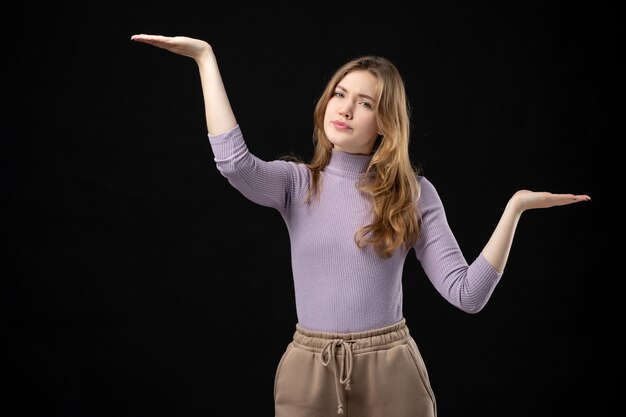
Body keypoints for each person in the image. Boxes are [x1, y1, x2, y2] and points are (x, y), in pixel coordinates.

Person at [130, 34, 591, 417]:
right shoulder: (297, 183)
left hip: (391, 368)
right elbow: (233, 163)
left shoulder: (412, 193)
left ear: (386, 123)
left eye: (365, 102)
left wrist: (514, 210)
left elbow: (467, 294)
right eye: (339, 93)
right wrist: (204, 58)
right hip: (307, 367)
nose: (345, 109)